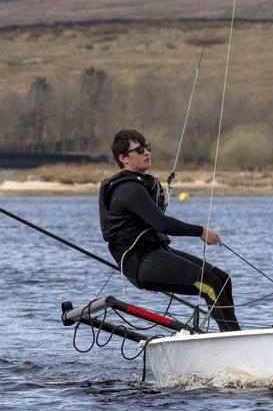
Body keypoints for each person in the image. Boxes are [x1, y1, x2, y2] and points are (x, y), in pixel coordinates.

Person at [99, 129, 240, 332]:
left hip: (155, 255)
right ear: (123, 159)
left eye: (147, 147)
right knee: (210, 284)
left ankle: (233, 335)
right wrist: (200, 231)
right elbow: (162, 224)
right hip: (141, 262)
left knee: (223, 279)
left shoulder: (140, 184)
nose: (147, 153)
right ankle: (232, 340)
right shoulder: (127, 189)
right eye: (139, 150)